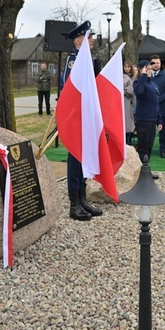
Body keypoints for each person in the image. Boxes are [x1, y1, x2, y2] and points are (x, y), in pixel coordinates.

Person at [61, 21, 103, 221]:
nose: (93, 40)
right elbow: (70, 90)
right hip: (76, 117)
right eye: (89, 36)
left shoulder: (86, 59)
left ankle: (82, 198)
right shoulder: (74, 60)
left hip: (85, 116)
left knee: (83, 157)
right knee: (75, 159)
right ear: (79, 39)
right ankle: (74, 204)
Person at [133, 60, 163, 162]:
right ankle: (140, 170)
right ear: (141, 70)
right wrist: (143, 76)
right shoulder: (138, 82)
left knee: (149, 145)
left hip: (152, 119)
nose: (149, 71)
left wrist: (159, 120)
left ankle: (146, 168)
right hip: (143, 119)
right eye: (147, 69)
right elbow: (139, 91)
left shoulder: (153, 85)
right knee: (143, 146)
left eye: (150, 69)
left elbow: (156, 104)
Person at [148, 55, 165, 158]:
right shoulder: (146, 76)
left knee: (162, 131)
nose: (156, 65)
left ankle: (163, 150)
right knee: (149, 130)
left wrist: (158, 99)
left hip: (162, 107)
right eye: (154, 63)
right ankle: (148, 150)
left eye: (158, 63)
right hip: (148, 108)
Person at [122, 61, 136, 145]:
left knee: (130, 123)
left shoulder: (134, 77)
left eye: (129, 67)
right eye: (125, 66)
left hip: (131, 102)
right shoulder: (120, 77)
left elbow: (130, 91)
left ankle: (129, 141)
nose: (127, 68)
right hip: (123, 103)